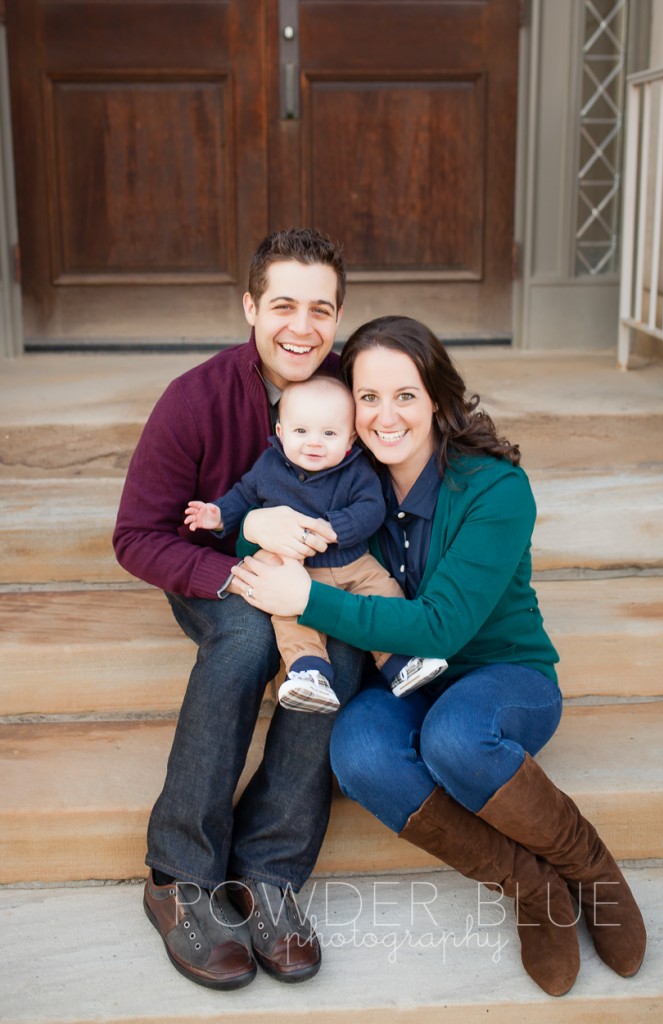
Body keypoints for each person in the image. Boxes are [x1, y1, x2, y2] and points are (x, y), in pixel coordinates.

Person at [231, 315, 647, 998]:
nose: (385, 415)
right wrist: (251, 529)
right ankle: (531, 886)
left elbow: (442, 626)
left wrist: (304, 597)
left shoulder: (495, 490)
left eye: (405, 395)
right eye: (367, 397)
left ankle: (590, 868)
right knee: (358, 751)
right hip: (402, 683)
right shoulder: (337, 473)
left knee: (456, 737)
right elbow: (268, 532)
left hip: (502, 675)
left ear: (438, 397)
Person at [113, 228, 369, 991]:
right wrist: (242, 546)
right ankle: (178, 873)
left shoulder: (351, 392)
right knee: (248, 638)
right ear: (250, 306)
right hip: (216, 573)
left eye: (320, 309)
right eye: (283, 304)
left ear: (338, 317)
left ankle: (268, 871)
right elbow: (135, 536)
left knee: (342, 640)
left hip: (324, 573)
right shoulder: (194, 399)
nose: (301, 326)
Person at [184, 373, 447, 712]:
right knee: (290, 619)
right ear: (281, 432)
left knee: (384, 591)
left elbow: (372, 508)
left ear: (350, 438)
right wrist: (218, 515)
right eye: (300, 431)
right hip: (296, 570)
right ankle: (309, 673)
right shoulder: (269, 466)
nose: (314, 443)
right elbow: (243, 494)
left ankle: (400, 663)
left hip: (355, 564)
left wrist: (335, 527)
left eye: (329, 433)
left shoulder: (356, 471)